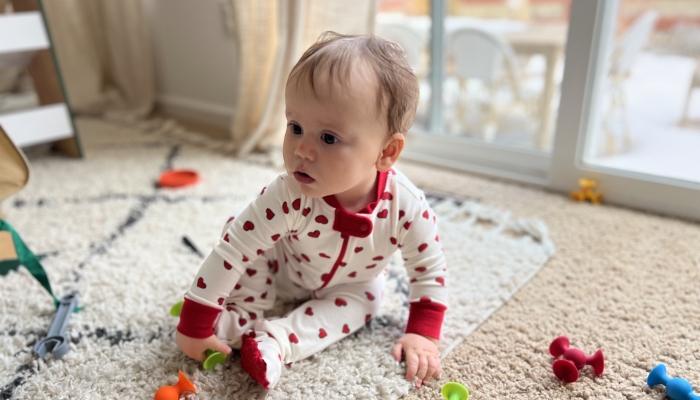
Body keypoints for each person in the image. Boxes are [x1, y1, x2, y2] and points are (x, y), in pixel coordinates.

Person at [175, 31, 448, 390]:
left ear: (386, 153)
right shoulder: (288, 194)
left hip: (351, 284)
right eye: (296, 127)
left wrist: (422, 334)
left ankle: (275, 341)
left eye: (329, 138)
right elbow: (233, 251)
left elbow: (429, 270)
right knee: (242, 236)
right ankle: (238, 319)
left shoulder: (407, 207)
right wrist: (194, 325)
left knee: (369, 300)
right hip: (282, 266)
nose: (301, 150)